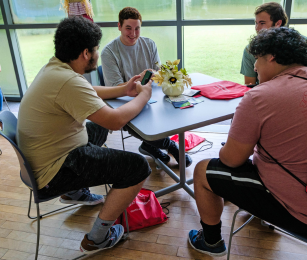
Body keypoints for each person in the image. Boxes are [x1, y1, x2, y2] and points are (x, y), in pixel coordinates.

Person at [188, 27, 307, 256]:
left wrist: (230, 147)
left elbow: (231, 160)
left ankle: (210, 242)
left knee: (202, 170)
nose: (254, 67)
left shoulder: (260, 96)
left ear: (272, 57)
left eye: (257, 59)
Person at [17, 16, 152, 254]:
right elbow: (117, 120)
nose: (97, 53)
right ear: (85, 53)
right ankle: (97, 238)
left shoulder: (55, 68)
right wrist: (143, 96)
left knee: (97, 125)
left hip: (46, 158)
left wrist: (124, 89)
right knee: (138, 167)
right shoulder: (66, 80)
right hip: (54, 172)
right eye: (96, 49)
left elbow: (86, 91)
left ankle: (74, 192)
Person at [101, 7, 192, 167]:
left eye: (137, 28)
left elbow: (159, 74)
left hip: (151, 96)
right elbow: (114, 88)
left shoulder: (149, 44)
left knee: (175, 110)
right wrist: (138, 82)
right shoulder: (109, 52)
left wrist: (155, 74)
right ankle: (170, 145)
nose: (133, 33)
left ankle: (149, 145)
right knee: (145, 122)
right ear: (119, 26)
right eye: (128, 28)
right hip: (126, 101)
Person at [240, 2, 307, 85]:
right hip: (264, 93)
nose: (257, 28)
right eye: (256, 23)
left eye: (262, 23)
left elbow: (305, 75)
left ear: (278, 23)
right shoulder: (250, 49)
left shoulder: (302, 42)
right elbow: (249, 84)